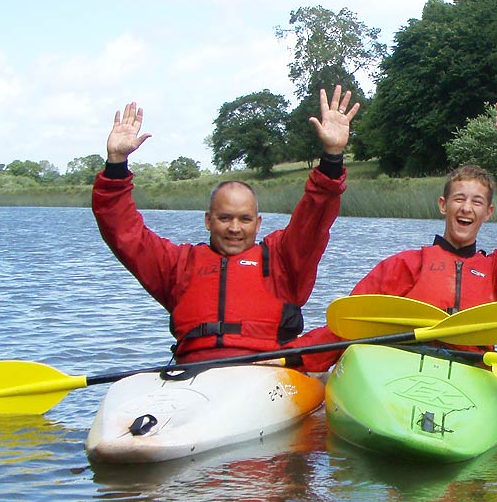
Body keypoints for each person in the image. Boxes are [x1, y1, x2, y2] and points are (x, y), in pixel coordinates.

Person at [93, 86, 359, 363]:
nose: (235, 228)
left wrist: (332, 156)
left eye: (244, 219)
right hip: (194, 373)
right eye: (225, 218)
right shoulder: (177, 266)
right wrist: (116, 163)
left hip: (267, 371)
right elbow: (124, 232)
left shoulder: (282, 262)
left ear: (258, 224)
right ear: (208, 221)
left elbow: (314, 218)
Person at [294, 161, 497, 371]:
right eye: (459, 199)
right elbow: (351, 323)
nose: (467, 208)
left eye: (477, 202)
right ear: (443, 205)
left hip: (472, 370)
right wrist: (295, 356)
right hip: (405, 362)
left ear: (488, 212)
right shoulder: (405, 265)